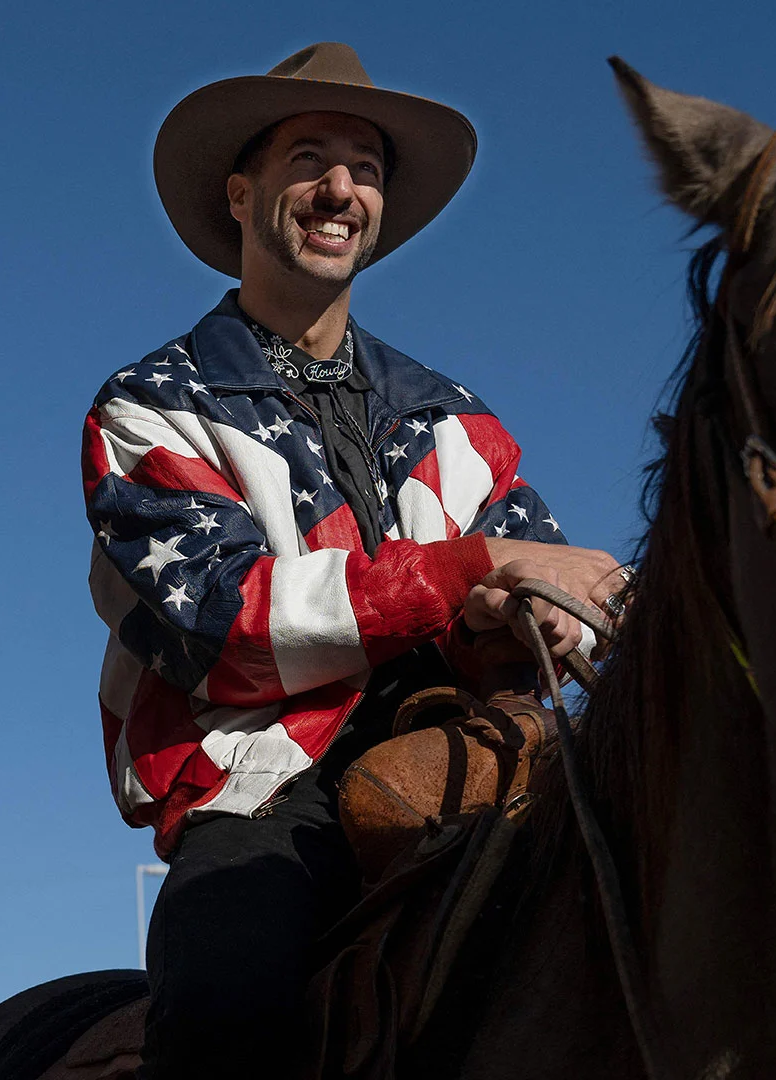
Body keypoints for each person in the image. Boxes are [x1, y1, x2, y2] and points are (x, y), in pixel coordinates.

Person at [82, 43, 626, 1076]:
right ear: (241, 194)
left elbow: (536, 563)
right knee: (222, 1001)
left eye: (366, 166)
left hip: (473, 751)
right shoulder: (152, 407)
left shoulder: (454, 417)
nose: (342, 188)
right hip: (265, 784)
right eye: (310, 157)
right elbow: (225, 621)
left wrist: (540, 610)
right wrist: (466, 576)